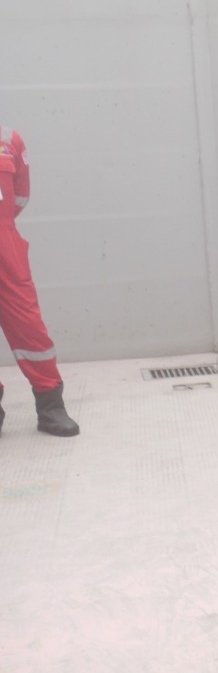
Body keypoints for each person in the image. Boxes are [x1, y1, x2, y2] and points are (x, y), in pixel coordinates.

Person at [0, 124, 80, 438]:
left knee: (29, 326)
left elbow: (20, 196)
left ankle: (50, 406)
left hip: (5, 245)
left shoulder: (9, 140)